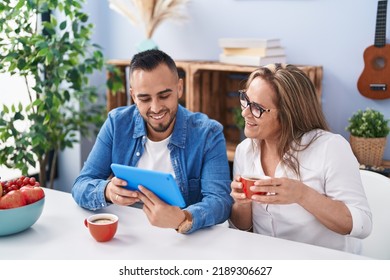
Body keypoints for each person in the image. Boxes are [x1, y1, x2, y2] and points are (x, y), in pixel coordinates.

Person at [72, 49, 233, 234]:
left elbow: (220, 202)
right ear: (133, 96)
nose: (155, 108)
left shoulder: (208, 133)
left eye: (164, 96)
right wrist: (107, 191)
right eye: (145, 98)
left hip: (182, 241)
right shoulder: (116, 124)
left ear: (179, 88)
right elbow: (80, 185)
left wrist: (183, 218)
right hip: (128, 236)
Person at [229, 63, 372, 254]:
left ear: (288, 114)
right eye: (245, 100)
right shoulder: (245, 150)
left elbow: (362, 225)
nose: (245, 112)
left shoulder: (330, 148)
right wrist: (241, 204)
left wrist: (302, 195)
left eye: (257, 108)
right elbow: (243, 230)